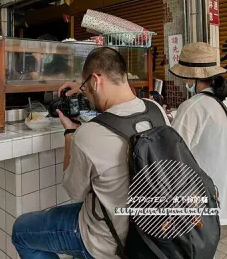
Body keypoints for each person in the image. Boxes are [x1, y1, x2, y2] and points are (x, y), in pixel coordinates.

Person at [12, 47, 170, 258]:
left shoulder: (89, 134)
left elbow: (74, 191)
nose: (85, 93)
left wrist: (70, 133)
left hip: (107, 239)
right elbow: (121, 111)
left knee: (21, 231)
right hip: (154, 231)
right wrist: (84, 87)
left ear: (96, 81)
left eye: (86, 87)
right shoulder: (155, 110)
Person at [170, 42, 227, 226]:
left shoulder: (192, 107)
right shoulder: (223, 101)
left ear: (191, 78)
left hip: (199, 198)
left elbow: (172, 152)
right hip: (220, 193)